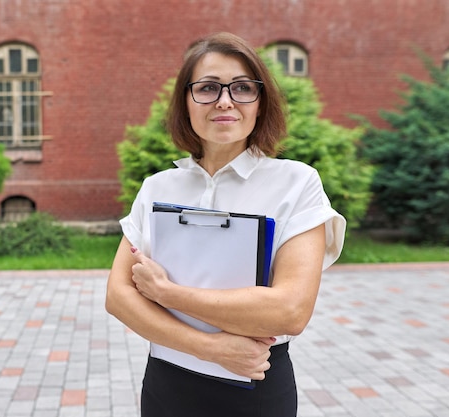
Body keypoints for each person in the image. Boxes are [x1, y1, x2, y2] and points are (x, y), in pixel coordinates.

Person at [105, 32, 346, 417]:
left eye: (243, 88)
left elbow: (290, 311)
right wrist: (211, 348)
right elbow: (118, 297)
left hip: (255, 386)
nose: (224, 100)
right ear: (185, 101)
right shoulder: (157, 188)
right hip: (167, 384)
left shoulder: (296, 183)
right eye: (207, 87)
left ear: (260, 102)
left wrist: (167, 294)